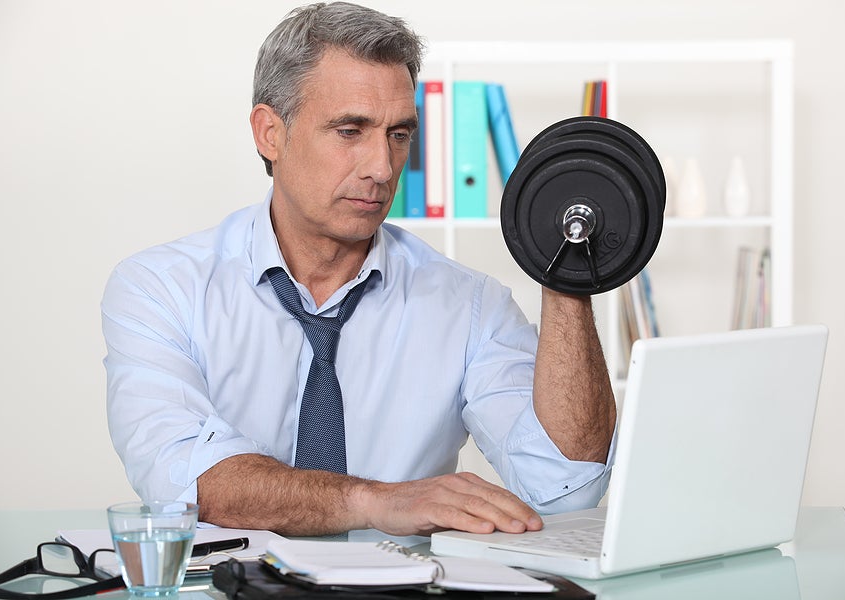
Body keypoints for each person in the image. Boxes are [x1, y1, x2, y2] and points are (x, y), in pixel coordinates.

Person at [102, 1, 616, 537]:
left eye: (398, 134)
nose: (382, 167)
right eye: (351, 130)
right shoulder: (160, 288)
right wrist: (377, 503)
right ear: (269, 133)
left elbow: (566, 486)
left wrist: (566, 277)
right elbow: (182, 480)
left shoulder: (470, 305)